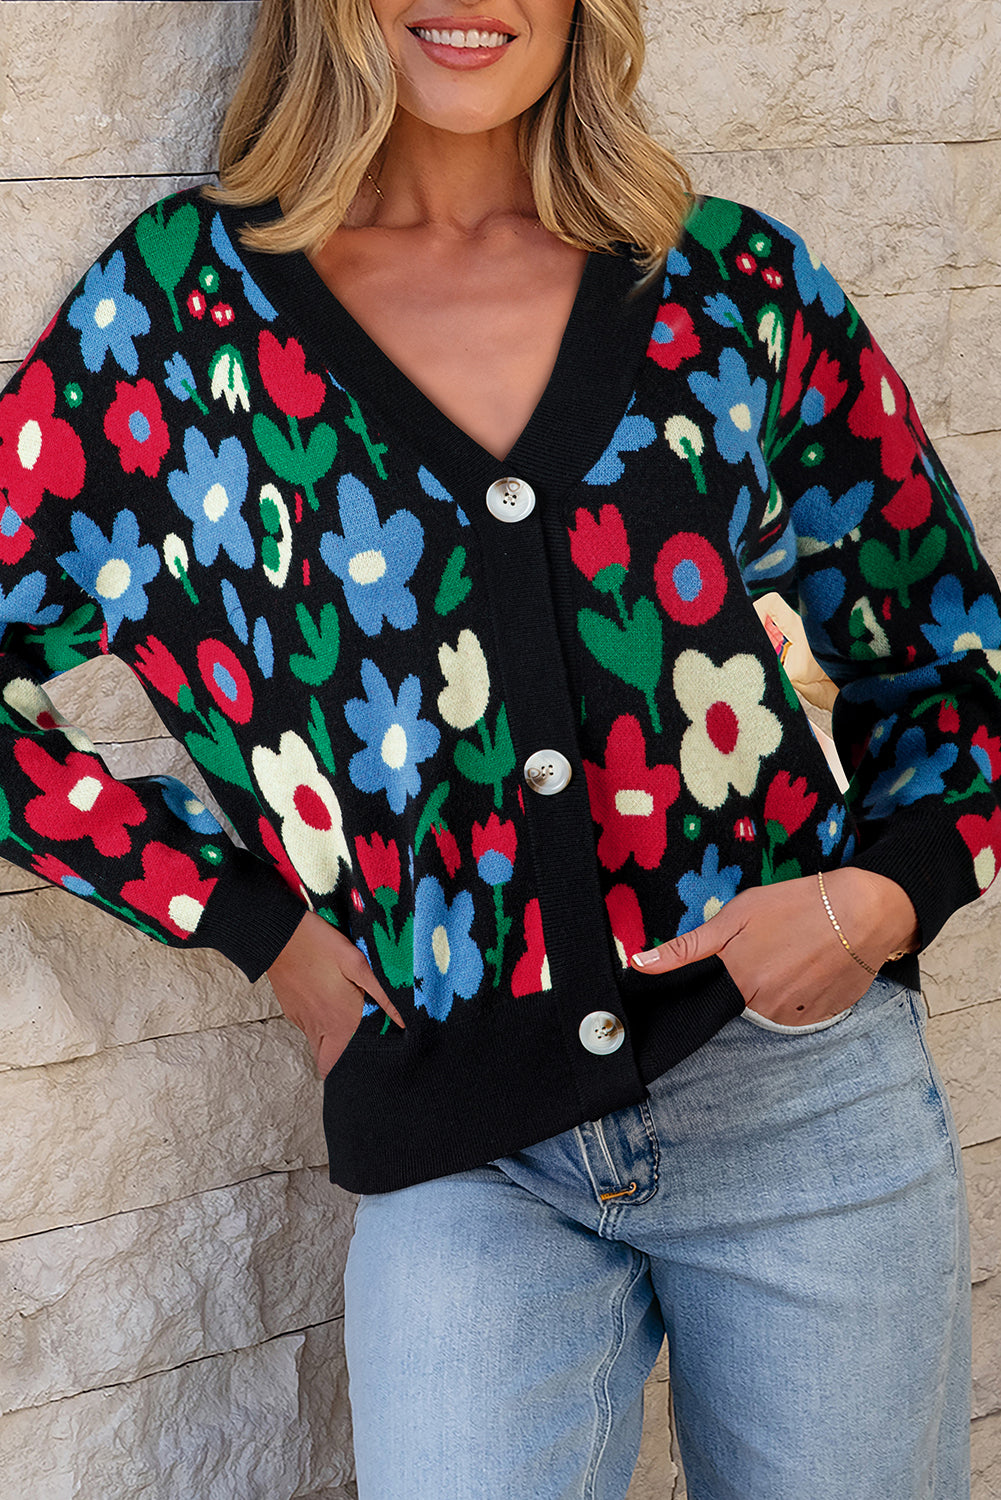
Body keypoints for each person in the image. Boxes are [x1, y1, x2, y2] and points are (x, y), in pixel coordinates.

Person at [0, 0, 997, 1493]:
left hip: (792, 1097)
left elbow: (950, 651)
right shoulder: (171, 317)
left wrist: (878, 901)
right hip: (455, 1137)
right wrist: (251, 924)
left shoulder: (732, 286)